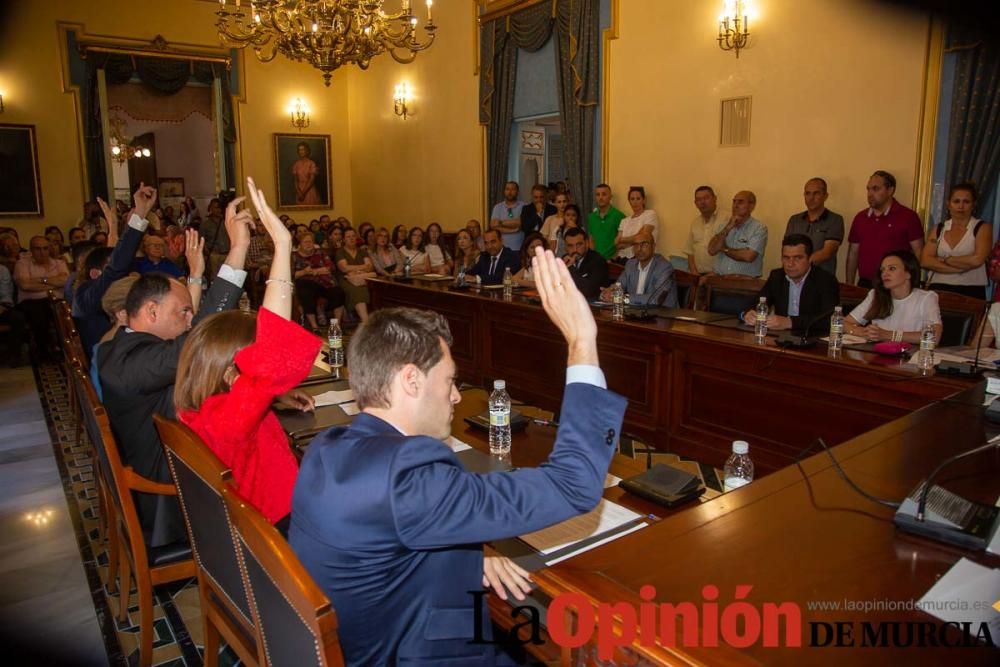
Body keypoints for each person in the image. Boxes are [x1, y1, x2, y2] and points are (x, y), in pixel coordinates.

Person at [290, 245, 627, 666]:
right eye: (450, 380)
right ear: (411, 380)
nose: (454, 396)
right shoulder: (410, 478)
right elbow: (574, 483)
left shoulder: (328, 445)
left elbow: (385, 541)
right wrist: (581, 341)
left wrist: (471, 555)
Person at [97, 195, 251, 546]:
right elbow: (197, 341)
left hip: (168, 467)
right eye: (181, 313)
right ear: (151, 312)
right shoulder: (134, 363)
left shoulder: (121, 345)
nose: (188, 320)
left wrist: (196, 277)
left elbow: (189, 341)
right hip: (169, 498)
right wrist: (237, 249)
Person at [176, 178, 320, 534]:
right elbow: (273, 353)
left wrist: (274, 398)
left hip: (264, 517)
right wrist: (283, 246)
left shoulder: (208, 404)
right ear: (229, 374)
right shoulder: (229, 421)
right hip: (277, 530)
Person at [74, 190, 157, 358]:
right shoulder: (87, 295)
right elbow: (116, 267)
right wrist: (139, 214)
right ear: (96, 274)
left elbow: (114, 259)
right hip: (110, 359)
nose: (122, 277)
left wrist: (113, 227)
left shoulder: (87, 290)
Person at [741, 234, 841, 334]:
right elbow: (757, 303)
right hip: (780, 337)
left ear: (810, 259)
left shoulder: (825, 280)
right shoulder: (776, 276)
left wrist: (790, 322)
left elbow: (829, 319)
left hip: (813, 339)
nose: (790, 264)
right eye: (786, 258)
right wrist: (747, 314)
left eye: (797, 258)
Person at [845, 170, 924, 288]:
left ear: (890, 190)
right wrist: (850, 284)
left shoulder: (908, 217)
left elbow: (919, 253)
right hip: (866, 283)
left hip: (896, 285)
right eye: (868, 189)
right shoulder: (860, 218)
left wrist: (913, 284)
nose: (870, 193)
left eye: (876, 189)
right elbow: (853, 254)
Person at [844, 250, 942, 343]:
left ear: (908, 274)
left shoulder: (927, 298)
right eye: (882, 270)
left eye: (892, 268)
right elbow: (843, 323)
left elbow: (934, 337)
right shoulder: (875, 294)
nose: (885, 274)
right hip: (877, 353)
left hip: (909, 356)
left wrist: (887, 335)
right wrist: (862, 332)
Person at [920, 182, 991, 299]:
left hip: (971, 290)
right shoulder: (939, 228)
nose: (961, 206)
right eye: (956, 201)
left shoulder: (982, 227)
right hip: (938, 288)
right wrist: (962, 267)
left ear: (974, 205)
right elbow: (925, 261)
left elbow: (977, 260)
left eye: (966, 202)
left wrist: (946, 260)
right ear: (948, 204)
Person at [14, 235, 69, 361]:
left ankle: (63, 348)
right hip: (31, 302)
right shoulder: (22, 264)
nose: (42, 252)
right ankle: (43, 350)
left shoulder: (59, 263)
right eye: (38, 249)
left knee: (63, 308)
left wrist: (40, 280)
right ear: (31, 250)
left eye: (45, 248)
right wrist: (53, 283)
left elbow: (65, 281)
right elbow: (25, 285)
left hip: (57, 301)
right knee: (40, 310)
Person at [783, 178, 845, 276]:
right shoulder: (794, 220)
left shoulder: (835, 220)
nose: (811, 198)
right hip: (794, 279)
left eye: (816, 193)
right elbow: (786, 250)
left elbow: (827, 252)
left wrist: (800, 264)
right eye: (807, 193)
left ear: (825, 196)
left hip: (822, 280)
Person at [602, 228, 678, 307]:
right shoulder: (630, 264)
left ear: (653, 246)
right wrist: (609, 292)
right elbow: (619, 286)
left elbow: (655, 299)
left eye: (644, 244)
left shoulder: (664, 267)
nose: (639, 249)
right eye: (636, 245)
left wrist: (623, 298)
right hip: (635, 313)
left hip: (663, 314)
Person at [707, 190, 768, 278]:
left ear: (751, 206)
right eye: (734, 201)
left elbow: (748, 256)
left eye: (740, 202)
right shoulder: (723, 226)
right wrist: (727, 228)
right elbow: (712, 250)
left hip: (744, 284)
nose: (735, 205)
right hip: (719, 280)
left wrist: (724, 249)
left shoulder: (759, 228)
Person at [293, 232, 345, 330]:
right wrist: (304, 272)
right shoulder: (294, 256)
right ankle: (314, 326)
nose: (308, 244)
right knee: (306, 292)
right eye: (305, 242)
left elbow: (331, 267)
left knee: (339, 293)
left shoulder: (320, 252)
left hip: (325, 282)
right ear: (299, 244)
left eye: (310, 242)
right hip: (306, 283)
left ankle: (336, 325)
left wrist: (314, 271)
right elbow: (292, 274)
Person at [335, 228, 375, 323]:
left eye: (353, 236)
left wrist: (355, 271)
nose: (351, 239)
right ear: (344, 239)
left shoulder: (362, 251)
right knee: (356, 290)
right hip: (345, 279)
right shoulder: (340, 252)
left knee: (371, 288)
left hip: (363, 278)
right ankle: (366, 321)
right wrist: (362, 267)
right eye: (348, 237)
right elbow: (344, 268)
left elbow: (370, 267)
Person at [683, 185, 724, 276]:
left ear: (715, 198)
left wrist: (717, 273)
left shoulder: (726, 218)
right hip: (698, 276)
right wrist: (695, 274)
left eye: (706, 198)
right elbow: (690, 252)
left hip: (719, 276)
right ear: (695, 203)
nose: (702, 202)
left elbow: (730, 248)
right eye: (699, 200)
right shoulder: (695, 223)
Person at [563, 227, 609, 301]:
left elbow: (588, 291)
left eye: (579, 244)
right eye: (570, 246)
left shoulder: (598, 261)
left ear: (587, 244)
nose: (575, 249)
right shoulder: (564, 260)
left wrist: (570, 267)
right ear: (565, 247)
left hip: (592, 307)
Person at [614, 186, 659, 260]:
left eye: (638, 199)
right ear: (629, 201)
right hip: (621, 258)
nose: (635, 202)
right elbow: (616, 244)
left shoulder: (650, 214)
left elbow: (642, 237)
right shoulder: (624, 221)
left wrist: (622, 240)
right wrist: (634, 240)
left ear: (644, 200)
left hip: (639, 258)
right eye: (632, 199)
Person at [587, 183, 626, 260]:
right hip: (596, 261)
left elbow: (622, 243)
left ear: (610, 197)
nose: (600, 197)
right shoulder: (591, 217)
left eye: (604, 194)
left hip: (613, 262)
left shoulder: (620, 216)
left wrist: (613, 259)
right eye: (598, 195)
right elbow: (591, 240)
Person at [0, 263, 29, 367]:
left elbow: (6, 296)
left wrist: (3, 306)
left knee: (18, 317)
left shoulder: (2, 270)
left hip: (1, 308)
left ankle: (14, 356)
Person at [489, 181, 527, 251]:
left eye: (513, 189)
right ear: (504, 191)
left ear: (517, 191)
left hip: (519, 248)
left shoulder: (525, 206)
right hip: (501, 249)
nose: (510, 192)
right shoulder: (497, 207)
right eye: (507, 189)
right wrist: (513, 229)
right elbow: (494, 227)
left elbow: (521, 223)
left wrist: (500, 223)